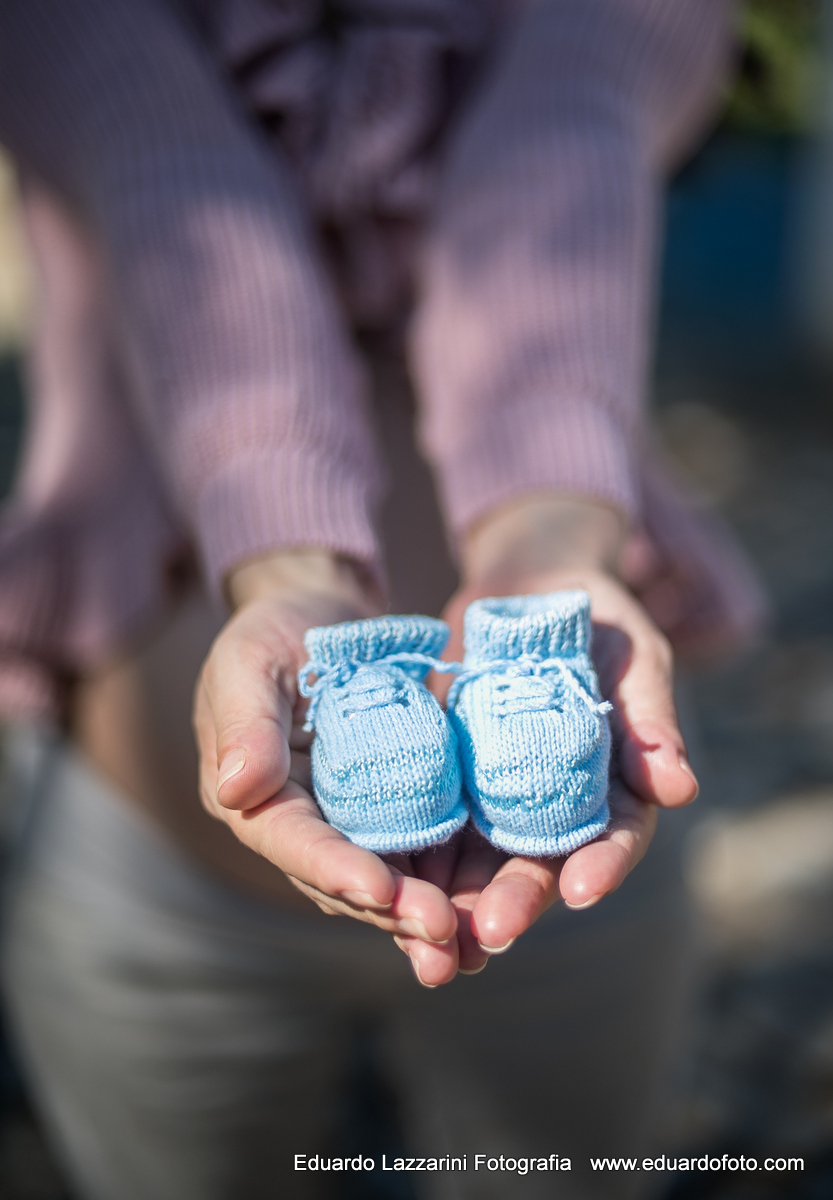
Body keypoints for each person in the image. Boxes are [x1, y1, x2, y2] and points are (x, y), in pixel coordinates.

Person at [0, 1, 765, 1197]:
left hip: (564, 908)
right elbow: (181, 204)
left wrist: (544, 535)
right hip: (154, 870)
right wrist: (293, 562)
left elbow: (559, 160)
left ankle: (529, 640)